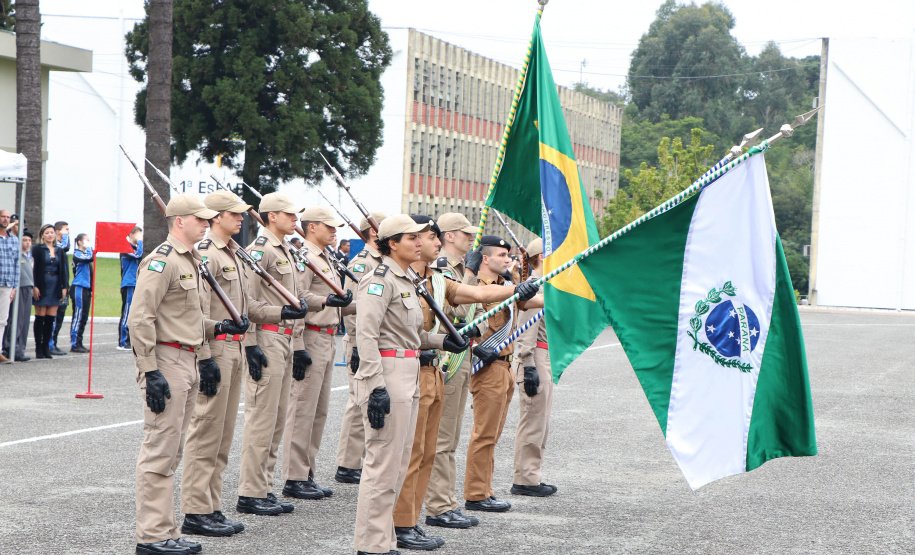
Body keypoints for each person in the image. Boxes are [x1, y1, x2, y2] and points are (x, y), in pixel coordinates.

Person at [392, 216, 539, 550]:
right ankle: (421, 514)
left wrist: (517, 287)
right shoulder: (406, 277)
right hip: (422, 365)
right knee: (419, 450)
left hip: (442, 363)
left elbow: (468, 297)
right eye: (423, 238)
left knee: (434, 447)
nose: (425, 244)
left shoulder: (437, 278)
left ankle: (418, 517)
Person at [180, 190, 309, 539]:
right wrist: (205, 358)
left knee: (222, 437)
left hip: (235, 347)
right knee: (206, 432)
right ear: (216, 217)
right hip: (217, 348)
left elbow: (248, 304)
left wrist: (282, 311)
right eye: (233, 214)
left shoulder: (234, 254)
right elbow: (199, 312)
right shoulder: (207, 254)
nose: (241, 219)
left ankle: (211, 505)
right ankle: (195, 509)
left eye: (241, 214)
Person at [129, 194, 244, 555]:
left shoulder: (191, 260)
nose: (207, 223)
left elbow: (188, 318)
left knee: (174, 449)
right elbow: (140, 318)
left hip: (189, 359)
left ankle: (167, 529)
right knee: (160, 450)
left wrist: (219, 327)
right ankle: (151, 536)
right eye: (201, 219)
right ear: (180, 221)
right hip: (167, 361)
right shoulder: (162, 261)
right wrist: (150, 370)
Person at [351, 214, 471, 555]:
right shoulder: (379, 279)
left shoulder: (406, 280)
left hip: (409, 368)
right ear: (392, 243)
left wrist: (442, 342)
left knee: (400, 462)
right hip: (387, 371)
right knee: (383, 464)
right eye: (412, 237)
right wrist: (375, 386)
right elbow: (367, 333)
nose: (420, 242)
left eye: (421, 237)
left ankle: (384, 538)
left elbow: (412, 335)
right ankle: (371, 544)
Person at [236, 192, 307, 517]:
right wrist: (250, 343)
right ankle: (250, 492)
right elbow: (246, 301)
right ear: (272, 216)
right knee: (262, 419)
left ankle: (264, 487)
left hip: (285, 338)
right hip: (266, 337)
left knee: (277, 419)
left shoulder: (286, 250)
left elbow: (296, 297)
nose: (296, 220)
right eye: (290, 215)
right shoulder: (260, 251)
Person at [462, 235, 543, 514]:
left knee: (493, 434)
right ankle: (475, 493)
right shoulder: (474, 288)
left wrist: (559, 297)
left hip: (506, 365)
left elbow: (528, 302)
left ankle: (485, 489)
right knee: (484, 433)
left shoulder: (506, 286)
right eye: (501, 255)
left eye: (508, 256)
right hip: (488, 364)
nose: (508, 260)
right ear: (485, 258)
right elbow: (464, 318)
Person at [281, 206, 354, 501]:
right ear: (312, 227)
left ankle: (306, 471)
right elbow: (298, 299)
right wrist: (297, 346)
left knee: (319, 411)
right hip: (310, 335)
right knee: (302, 409)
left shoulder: (327, 257)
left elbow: (335, 302)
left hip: (327, 337)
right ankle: (294, 476)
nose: (335, 231)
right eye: (329, 226)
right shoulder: (305, 257)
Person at [423, 212, 480, 529]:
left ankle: (446, 501)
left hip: (462, 354)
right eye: (464, 233)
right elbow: (455, 309)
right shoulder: (443, 269)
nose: (471, 239)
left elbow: (475, 313)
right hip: (447, 358)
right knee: (442, 437)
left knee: (452, 435)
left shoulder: (456, 268)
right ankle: (439, 505)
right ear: (448, 236)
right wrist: (471, 272)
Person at [335, 212, 387, 485]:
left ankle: (355, 460)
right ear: (372, 233)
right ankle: (348, 463)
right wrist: (355, 343)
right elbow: (352, 307)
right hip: (359, 340)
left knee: (363, 401)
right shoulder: (361, 263)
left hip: (375, 340)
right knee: (358, 401)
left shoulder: (384, 262)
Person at [510, 238, 557, 497]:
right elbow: (525, 328)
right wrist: (527, 364)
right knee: (533, 420)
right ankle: (525, 479)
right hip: (535, 355)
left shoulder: (546, 283)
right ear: (541, 257)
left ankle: (532, 474)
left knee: (542, 421)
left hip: (545, 355)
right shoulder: (534, 286)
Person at [31, 224, 68, 360]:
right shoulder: (37, 250)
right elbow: (33, 269)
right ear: (42, 235)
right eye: (47, 233)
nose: (50, 235)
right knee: (40, 317)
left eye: (52, 232)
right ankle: (38, 348)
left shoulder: (59, 250)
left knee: (50, 318)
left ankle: (47, 347)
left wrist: (64, 287)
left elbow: (63, 270)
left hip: (56, 285)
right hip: (42, 284)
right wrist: (34, 285)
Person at [3, 230, 32, 362]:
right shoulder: (17, 255)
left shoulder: (30, 257)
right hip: (18, 288)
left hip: (29, 288)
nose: (27, 243)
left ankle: (20, 349)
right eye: (25, 240)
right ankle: (10, 348)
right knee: (16, 320)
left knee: (25, 321)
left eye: (29, 241)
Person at [119, 226, 144, 351]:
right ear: (131, 235)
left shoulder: (135, 248)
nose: (140, 238)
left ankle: (131, 338)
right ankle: (123, 340)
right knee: (127, 312)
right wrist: (140, 241)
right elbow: (138, 255)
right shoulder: (125, 247)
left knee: (134, 312)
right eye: (138, 235)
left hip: (136, 283)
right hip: (128, 283)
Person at [69, 234, 94, 353]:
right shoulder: (78, 254)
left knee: (84, 317)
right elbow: (90, 257)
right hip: (79, 287)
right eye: (86, 241)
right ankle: (74, 343)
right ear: (79, 242)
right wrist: (89, 247)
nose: (89, 243)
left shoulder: (84, 254)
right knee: (78, 316)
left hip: (86, 289)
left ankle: (79, 341)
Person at [48, 221, 70, 356]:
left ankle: (54, 342)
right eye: (65, 230)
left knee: (60, 315)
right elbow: (65, 246)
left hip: (63, 286)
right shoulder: (56, 246)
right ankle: (49, 343)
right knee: (53, 316)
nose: (68, 232)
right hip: (55, 287)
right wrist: (65, 235)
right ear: (58, 232)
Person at [0, 210, 18, 363]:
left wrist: (14, 286)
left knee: (2, 320)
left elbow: (16, 263)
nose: (5, 219)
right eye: (3, 216)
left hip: (7, 284)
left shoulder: (14, 240)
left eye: (7, 217)